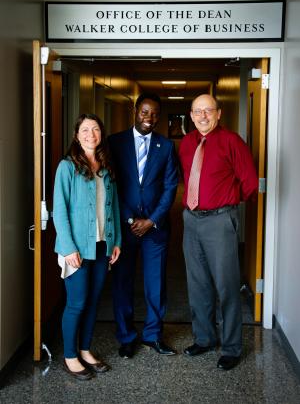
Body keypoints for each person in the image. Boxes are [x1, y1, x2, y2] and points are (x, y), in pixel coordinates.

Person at [178, 94, 258, 371]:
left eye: (208, 110)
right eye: (198, 111)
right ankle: (204, 338)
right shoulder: (187, 143)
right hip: (191, 220)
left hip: (219, 221)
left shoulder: (231, 141)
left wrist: (227, 205)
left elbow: (249, 182)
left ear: (219, 113)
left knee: (226, 286)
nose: (203, 116)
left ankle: (232, 347)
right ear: (191, 115)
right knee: (197, 284)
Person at [108, 92, 178, 358]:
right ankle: (126, 337)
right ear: (135, 110)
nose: (150, 118)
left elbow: (171, 187)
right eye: (145, 112)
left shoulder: (166, 146)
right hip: (124, 229)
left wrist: (151, 220)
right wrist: (129, 218)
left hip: (155, 229)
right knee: (122, 283)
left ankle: (153, 335)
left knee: (155, 284)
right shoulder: (115, 142)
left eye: (155, 113)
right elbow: (111, 184)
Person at [53, 114, 121, 380]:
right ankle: (70, 356)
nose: (90, 134)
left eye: (95, 129)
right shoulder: (67, 167)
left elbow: (113, 206)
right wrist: (68, 248)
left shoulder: (105, 165)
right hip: (76, 249)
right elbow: (60, 211)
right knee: (77, 302)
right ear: (76, 134)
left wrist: (116, 241)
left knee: (93, 302)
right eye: (84, 129)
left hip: (102, 246)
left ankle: (85, 349)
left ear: (101, 134)